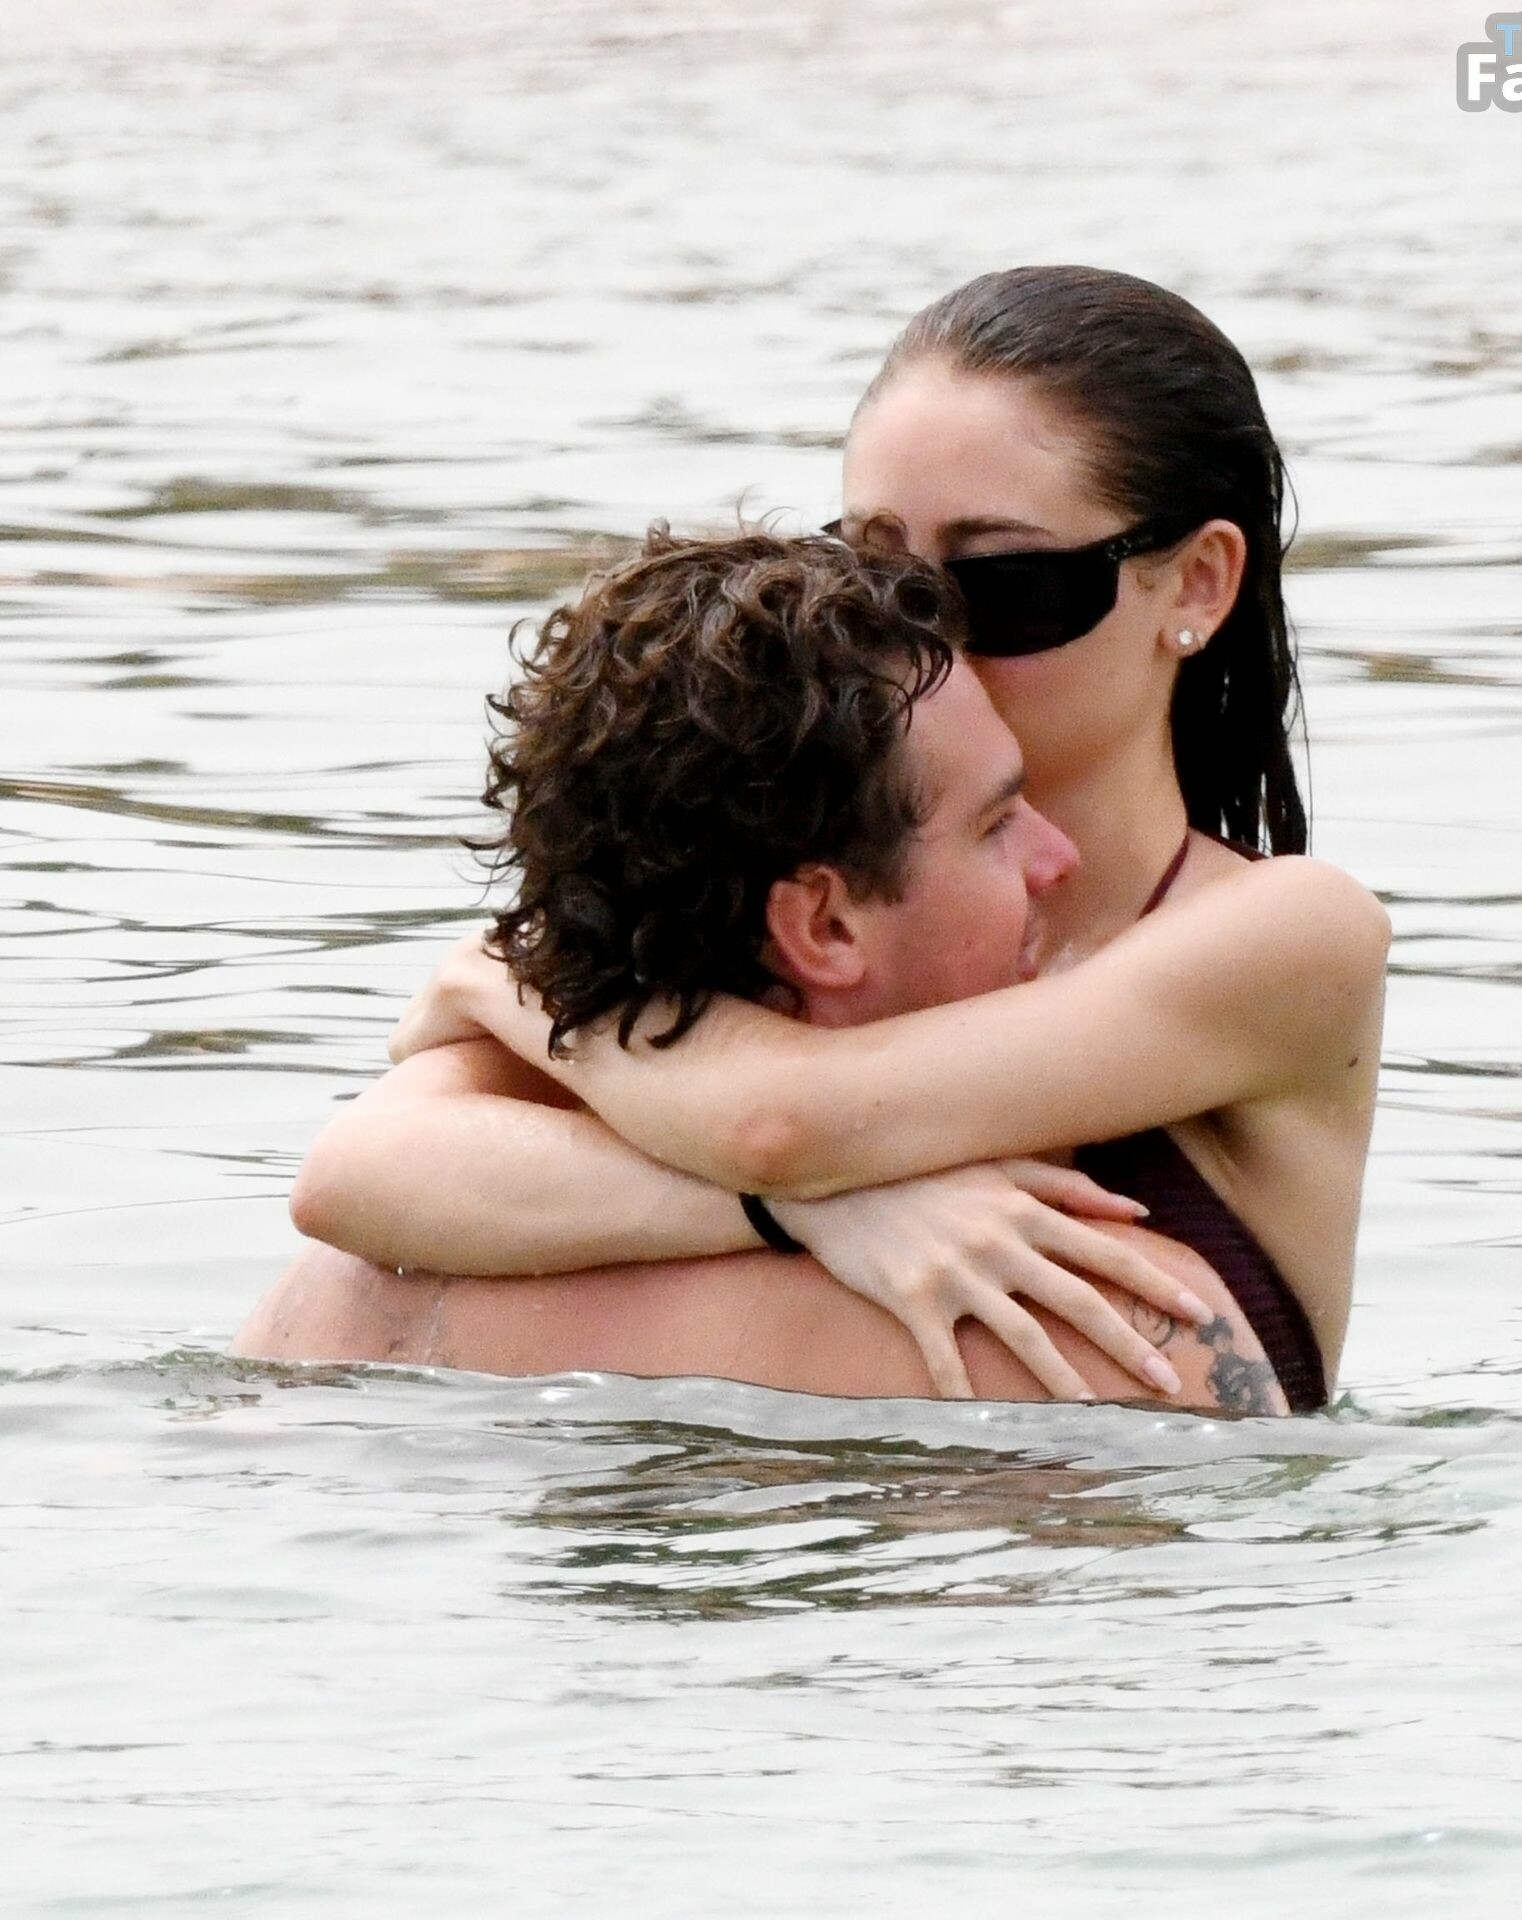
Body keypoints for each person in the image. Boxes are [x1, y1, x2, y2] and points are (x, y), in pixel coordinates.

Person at [284, 264, 1390, 1407]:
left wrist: (512, 989)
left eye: (999, 581)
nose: (922, 631)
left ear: (1195, 585)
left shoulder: (1289, 937)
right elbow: (360, 1171)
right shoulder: (778, 889)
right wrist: (815, 1211)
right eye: (877, 569)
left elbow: (780, 1120)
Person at [237, 529, 1287, 1413]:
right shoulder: (1120, 1337)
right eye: (997, 822)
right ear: (824, 926)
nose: (1056, 858)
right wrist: (809, 1204)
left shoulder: (335, 1298)